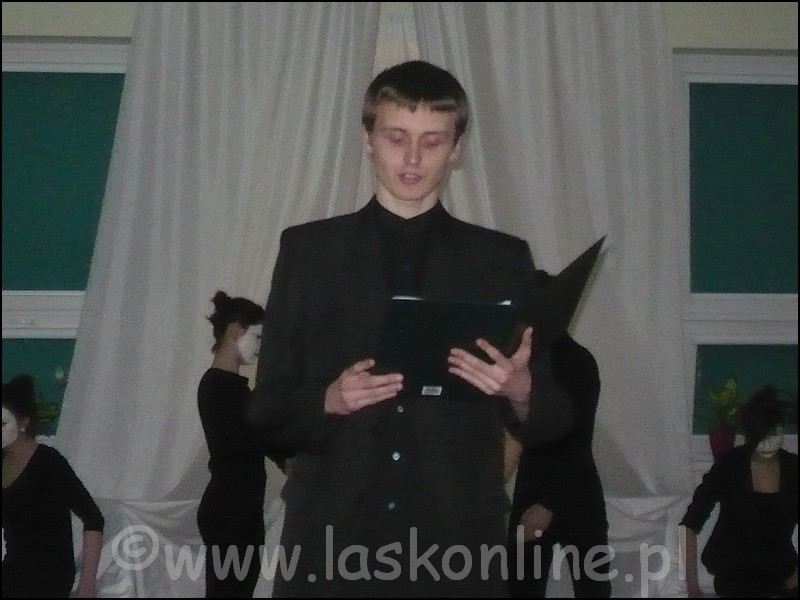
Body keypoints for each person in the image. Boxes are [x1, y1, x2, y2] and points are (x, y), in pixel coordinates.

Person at [247, 59, 570, 597]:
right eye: (397, 137)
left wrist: (520, 388)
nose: (413, 158)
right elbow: (265, 410)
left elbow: (554, 420)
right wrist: (327, 398)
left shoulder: (501, 260)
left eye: (432, 141)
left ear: (457, 147)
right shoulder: (309, 252)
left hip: (456, 545)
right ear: (368, 139)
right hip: (331, 541)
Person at [505, 272, 611, 597]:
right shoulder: (524, 363)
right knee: (520, 587)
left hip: (574, 493)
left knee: (591, 589)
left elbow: (576, 439)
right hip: (535, 488)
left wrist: (547, 504)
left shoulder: (576, 361)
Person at [197, 291, 294, 598]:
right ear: (237, 330)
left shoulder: (233, 389)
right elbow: (256, 434)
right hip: (230, 511)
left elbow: (261, 434)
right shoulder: (219, 386)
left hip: (238, 510)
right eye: (258, 337)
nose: (260, 347)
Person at [680, 384, 798, 598]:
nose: (769, 442)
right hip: (735, 572)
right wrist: (693, 588)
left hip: (782, 570)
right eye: (762, 436)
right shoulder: (729, 465)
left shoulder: (793, 468)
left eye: (775, 433)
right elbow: (690, 524)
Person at [2, 374, 104, 598]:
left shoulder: (48, 461)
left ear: (23, 423)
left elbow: (93, 518)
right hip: (14, 568)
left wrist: (87, 584)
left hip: (50, 574)